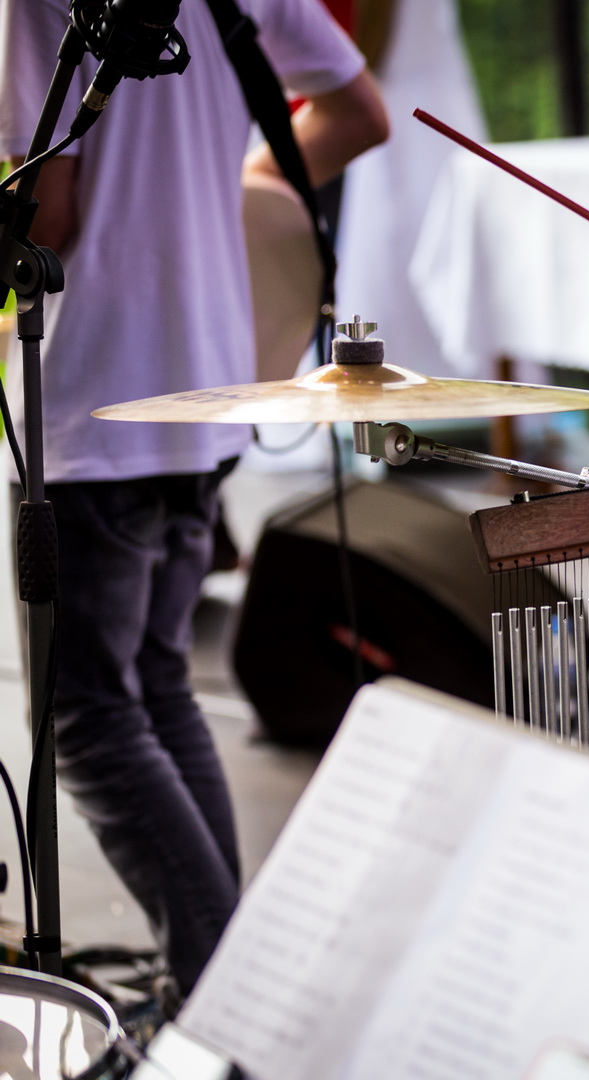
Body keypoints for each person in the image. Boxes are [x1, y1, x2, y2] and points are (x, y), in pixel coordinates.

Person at [0, 0, 387, 998]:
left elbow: (49, 219)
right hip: (209, 381)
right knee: (157, 686)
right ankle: (224, 987)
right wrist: (235, 188)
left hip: (97, 392)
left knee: (89, 718)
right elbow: (357, 113)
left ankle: (218, 993)